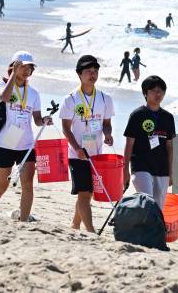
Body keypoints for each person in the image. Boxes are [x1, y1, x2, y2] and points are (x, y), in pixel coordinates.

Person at [0, 51, 53, 221]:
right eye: (22, 67)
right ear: (14, 66)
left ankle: (23, 220)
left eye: (29, 67)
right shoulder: (1, 84)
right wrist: (13, 76)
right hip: (5, 141)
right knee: (2, 185)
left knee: (28, 184)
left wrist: (44, 120)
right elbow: (4, 97)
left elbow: (36, 120)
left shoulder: (34, 93)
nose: (26, 71)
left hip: (26, 144)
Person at [59, 55, 115, 233]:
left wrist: (108, 135)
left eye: (95, 71)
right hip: (77, 154)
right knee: (84, 193)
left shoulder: (105, 99)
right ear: (79, 74)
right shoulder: (70, 99)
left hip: (97, 154)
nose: (93, 75)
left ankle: (75, 225)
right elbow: (66, 129)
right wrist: (77, 148)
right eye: (89, 71)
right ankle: (91, 231)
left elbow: (106, 124)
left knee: (88, 193)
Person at [123, 75, 175, 209]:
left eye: (161, 91)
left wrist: (171, 172)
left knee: (158, 208)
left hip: (161, 168)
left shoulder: (168, 117)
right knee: (146, 202)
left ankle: (151, 230)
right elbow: (129, 144)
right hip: (141, 166)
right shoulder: (137, 115)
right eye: (154, 91)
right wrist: (125, 171)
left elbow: (169, 147)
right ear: (145, 93)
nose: (158, 94)